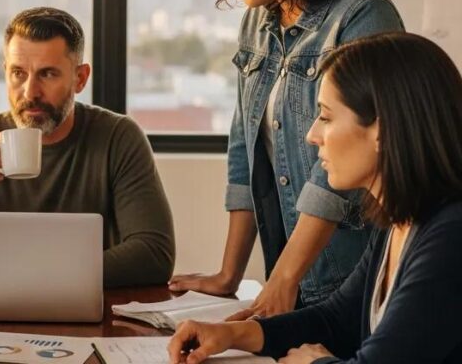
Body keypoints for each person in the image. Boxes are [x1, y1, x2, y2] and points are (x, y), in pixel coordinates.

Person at [168, 32, 462, 364]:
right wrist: (232, 334)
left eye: (325, 116)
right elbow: (336, 321)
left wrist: (314, 363)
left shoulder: (450, 237)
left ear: (382, 129)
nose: (312, 135)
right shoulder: (397, 221)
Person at [169, 0, 404, 317]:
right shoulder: (257, 23)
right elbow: (245, 149)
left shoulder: (363, 14)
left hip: (347, 279)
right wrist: (230, 274)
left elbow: (332, 171)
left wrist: (284, 279)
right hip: (287, 273)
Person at [0, 7, 175, 288]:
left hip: (80, 311)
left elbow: (154, 254)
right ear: (5, 72)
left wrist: (33, 278)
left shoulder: (118, 138)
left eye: (48, 74)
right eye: (18, 73)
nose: (30, 92)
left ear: (80, 78)